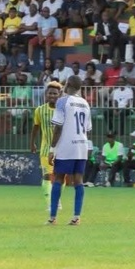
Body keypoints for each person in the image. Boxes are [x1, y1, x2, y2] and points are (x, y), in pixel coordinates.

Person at [47, 76, 91, 226]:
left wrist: (52, 148)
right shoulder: (86, 103)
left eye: (65, 83)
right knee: (78, 180)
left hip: (67, 145)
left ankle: (52, 218)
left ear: (69, 85)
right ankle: (76, 217)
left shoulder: (62, 101)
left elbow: (58, 127)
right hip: (82, 145)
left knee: (58, 178)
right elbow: (88, 129)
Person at [29, 82, 62, 210]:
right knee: (48, 175)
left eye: (55, 93)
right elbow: (35, 128)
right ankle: (50, 203)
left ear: (59, 95)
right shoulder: (40, 110)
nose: (52, 95)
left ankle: (57, 199)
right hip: (45, 149)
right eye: (50, 93)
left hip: (61, 149)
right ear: (46, 95)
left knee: (60, 177)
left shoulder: (63, 110)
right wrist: (32, 143)